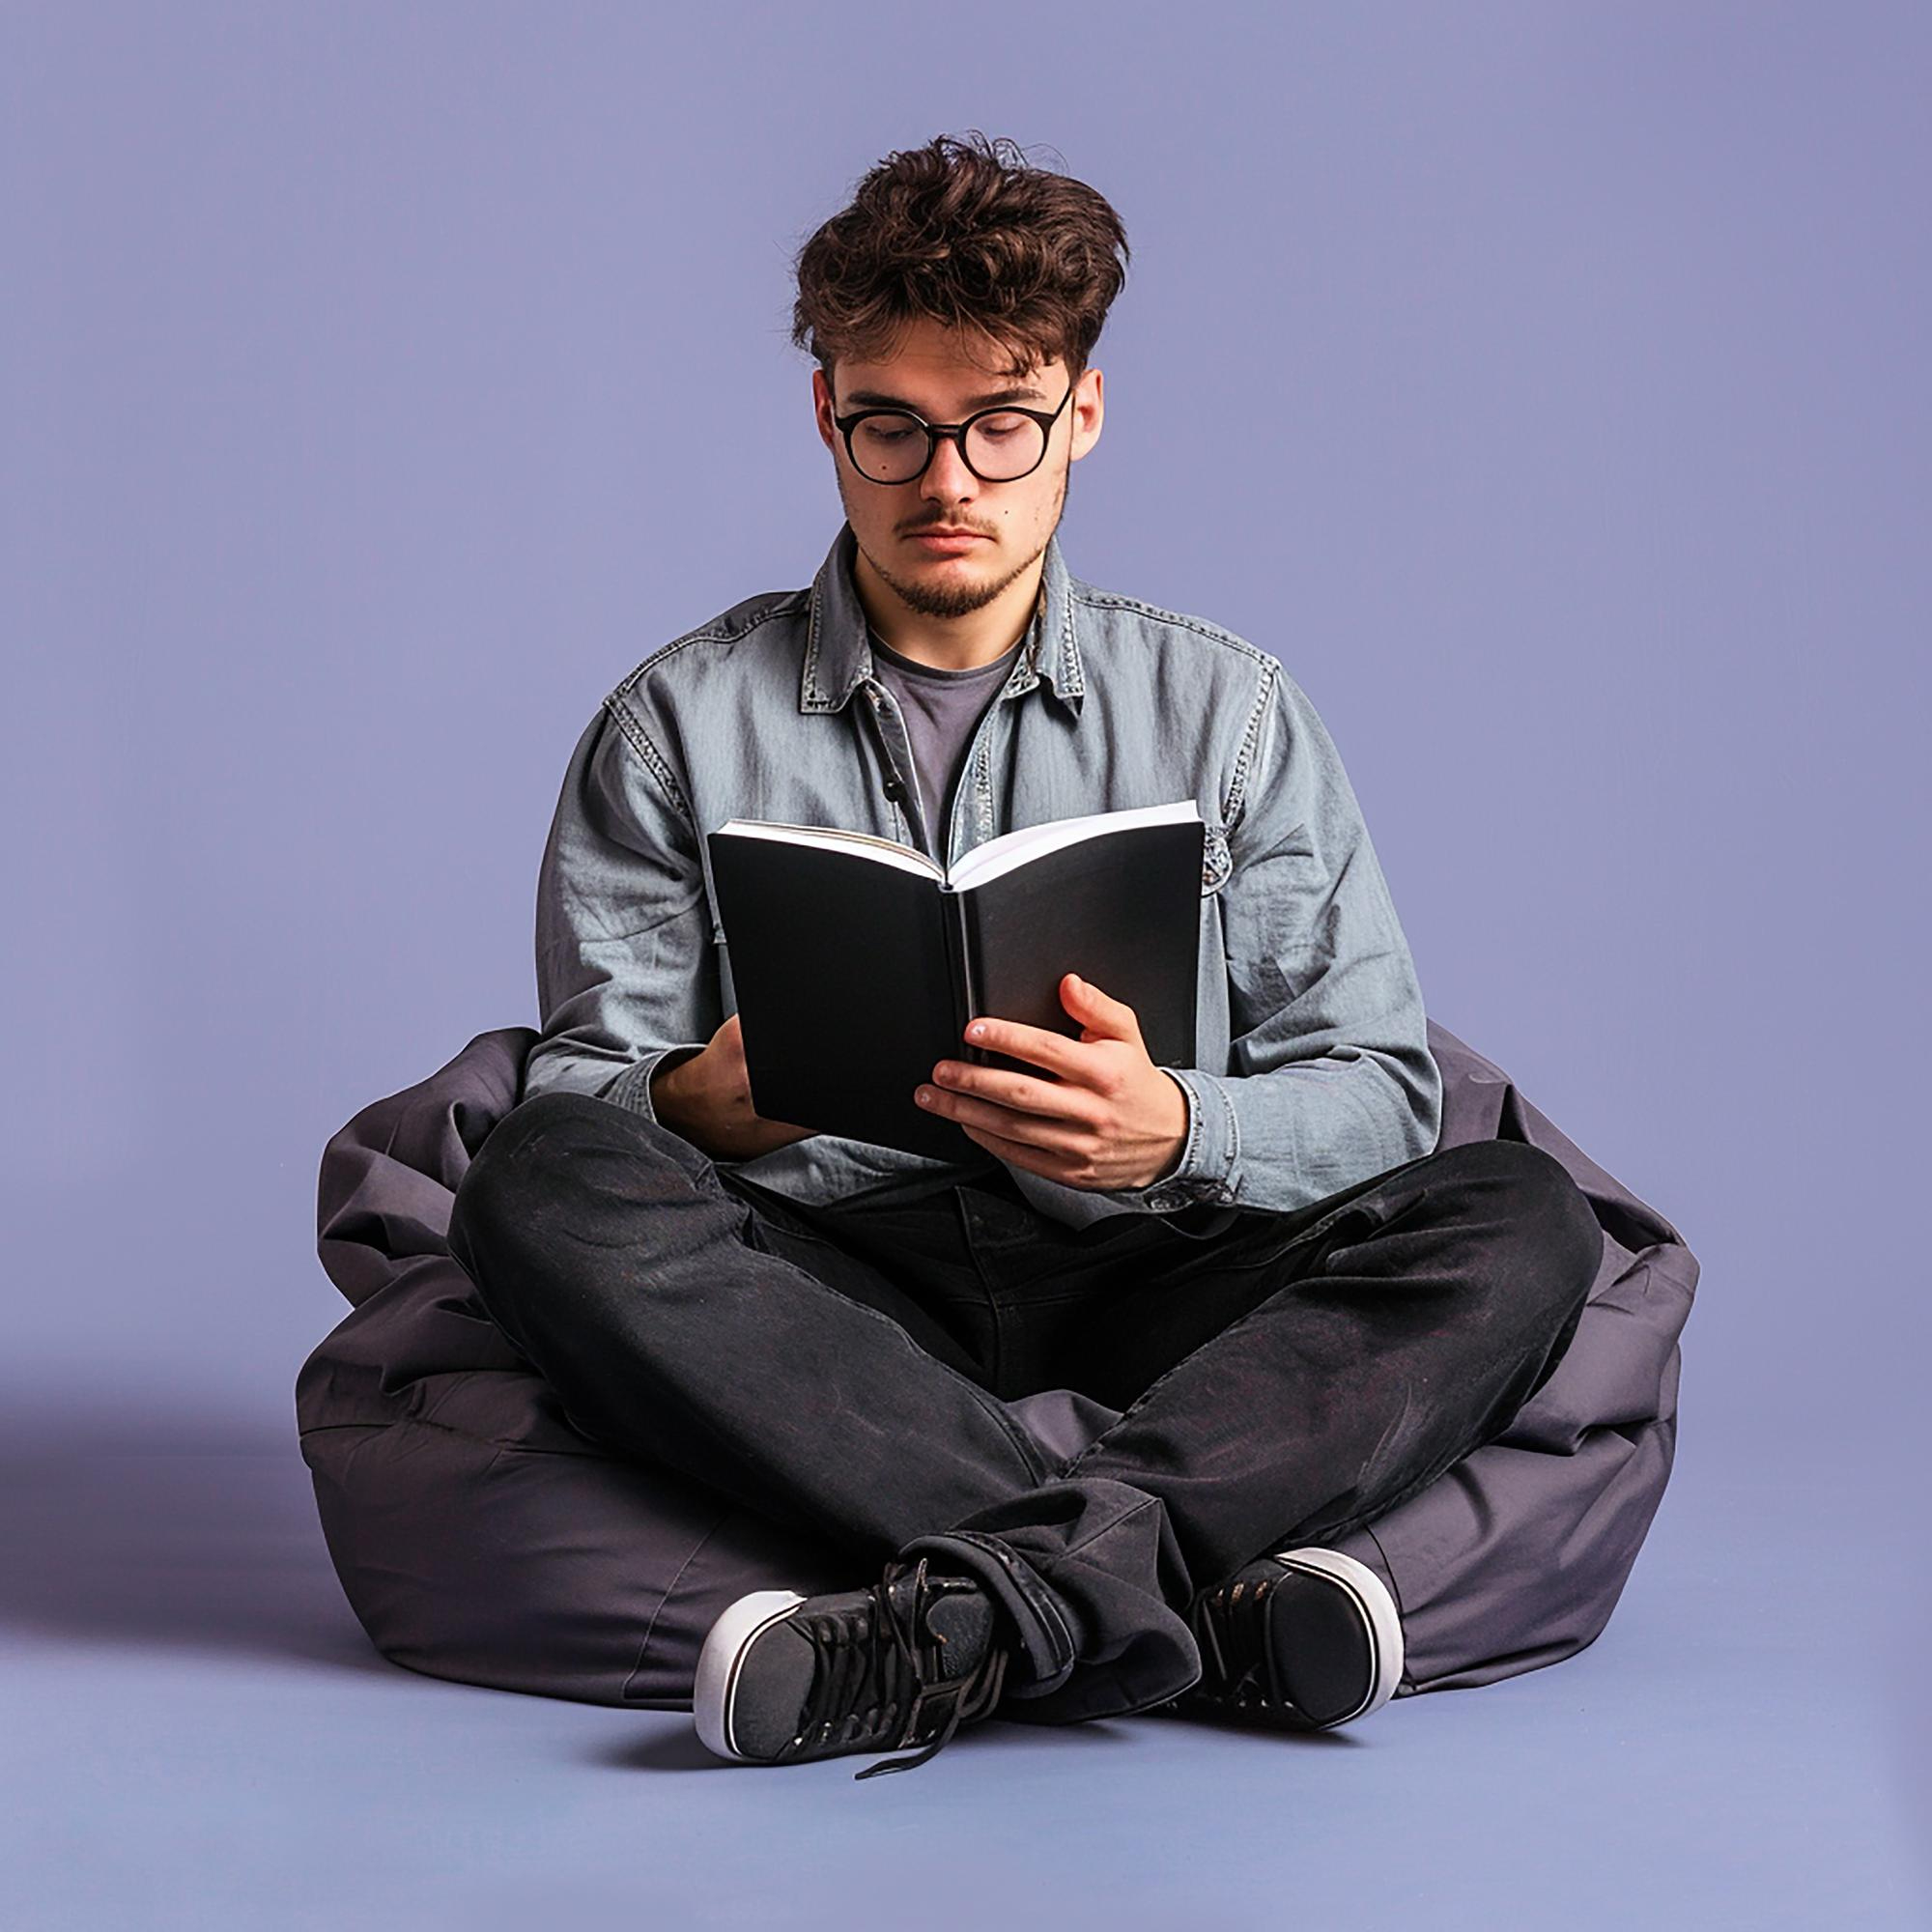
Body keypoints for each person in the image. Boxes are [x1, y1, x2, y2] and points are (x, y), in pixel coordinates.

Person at [445, 131, 1601, 1779]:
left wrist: (1181, 1130)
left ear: (1083, 418)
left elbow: (1381, 1094)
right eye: (893, 427)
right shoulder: (671, 723)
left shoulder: (1232, 713)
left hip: (1159, 1277)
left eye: (1002, 426)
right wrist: (701, 1106)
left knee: (1520, 1215)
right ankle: (1179, 1603)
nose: (949, 482)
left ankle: (970, 1615)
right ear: (826, 416)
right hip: (831, 1301)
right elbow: (578, 1088)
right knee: (536, 1183)